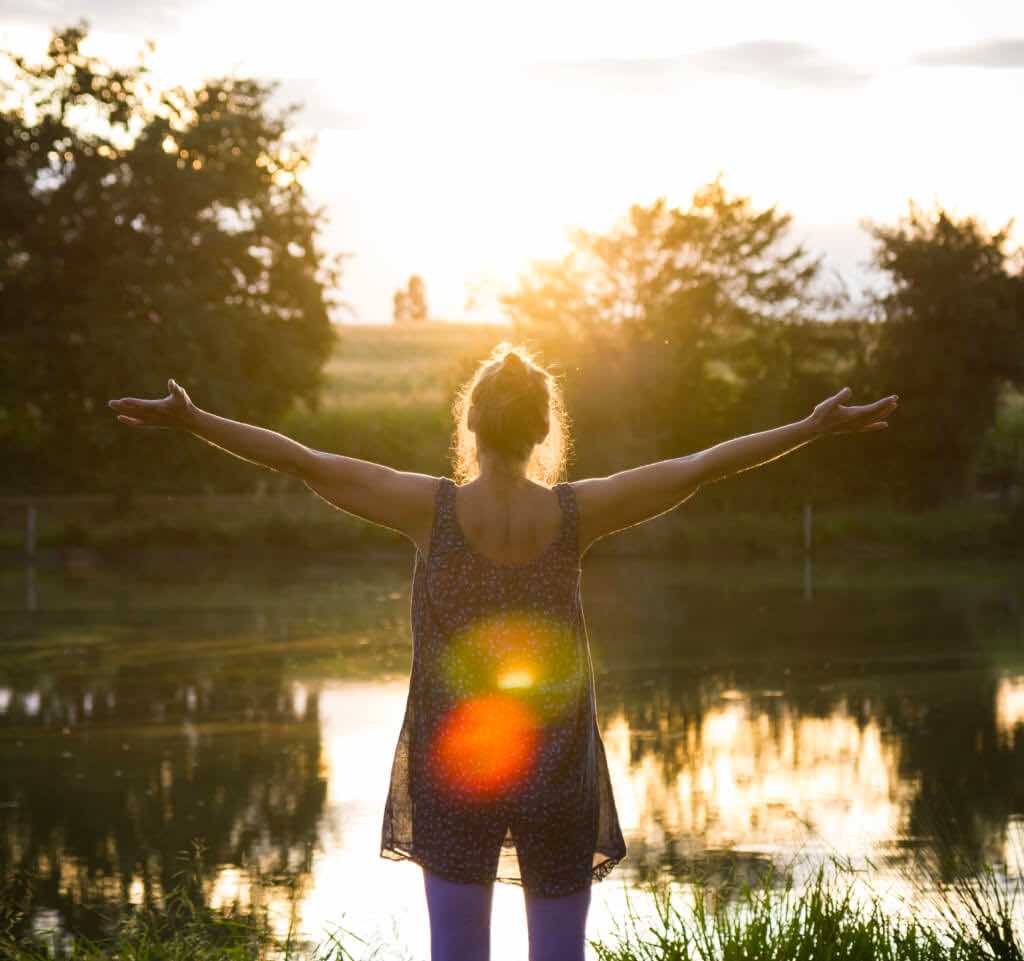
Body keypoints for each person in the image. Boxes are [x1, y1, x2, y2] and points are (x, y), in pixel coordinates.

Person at [108, 343, 898, 961]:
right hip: (559, 770)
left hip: (456, 770)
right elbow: (701, 468)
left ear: (473, 425)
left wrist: (195, 420)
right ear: (544, 430)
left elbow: (301, 461)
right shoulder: (577, 511)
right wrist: (810, 427)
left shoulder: (431, 508)